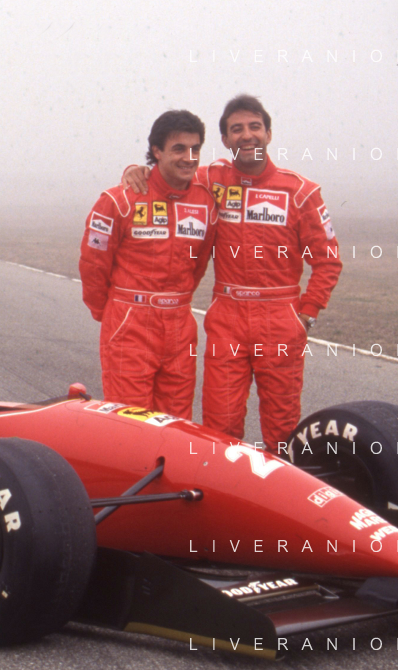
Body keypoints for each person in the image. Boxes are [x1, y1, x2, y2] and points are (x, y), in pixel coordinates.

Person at [121, 95, 341, 451]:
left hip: (281, 318)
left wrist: (307, 314)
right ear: (225, 140)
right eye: (236, 129)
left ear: (269, 133)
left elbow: (328, 260)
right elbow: (170, 173)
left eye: (255, 126)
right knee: (219, 427)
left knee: (282, 428)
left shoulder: (301, 192)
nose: (247, 135)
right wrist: (138, 169)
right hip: (228, 316)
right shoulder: (211, 179)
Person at [79, 110, 218, 418]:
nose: (189, 157)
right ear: (157, 151)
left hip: (180, 323)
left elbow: (198, 264)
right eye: (179, 149)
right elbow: (93, 265)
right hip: (129, 321)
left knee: (176, 422)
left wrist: (176, 300)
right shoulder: (118, 200)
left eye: (195, 149)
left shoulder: (205, 201)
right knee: (132, 422)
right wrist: (111, 312)